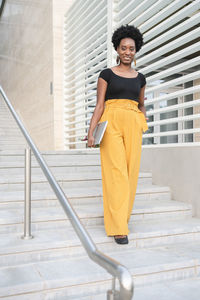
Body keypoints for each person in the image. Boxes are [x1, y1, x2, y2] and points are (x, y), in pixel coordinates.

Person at [87, 24, 148, 244]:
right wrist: (92, 130)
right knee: (116, 174)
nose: (127, 52)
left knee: (131, 174)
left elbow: (141, 104)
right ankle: (118, 228)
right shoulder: (106, 75)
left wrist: (143, 121)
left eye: (131, 48)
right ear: (117, 48)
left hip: (133, 122)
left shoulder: (141, 78)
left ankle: (122, 218)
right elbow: (99, 105)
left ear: (136, 50)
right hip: (111, 121)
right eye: (123, 48)